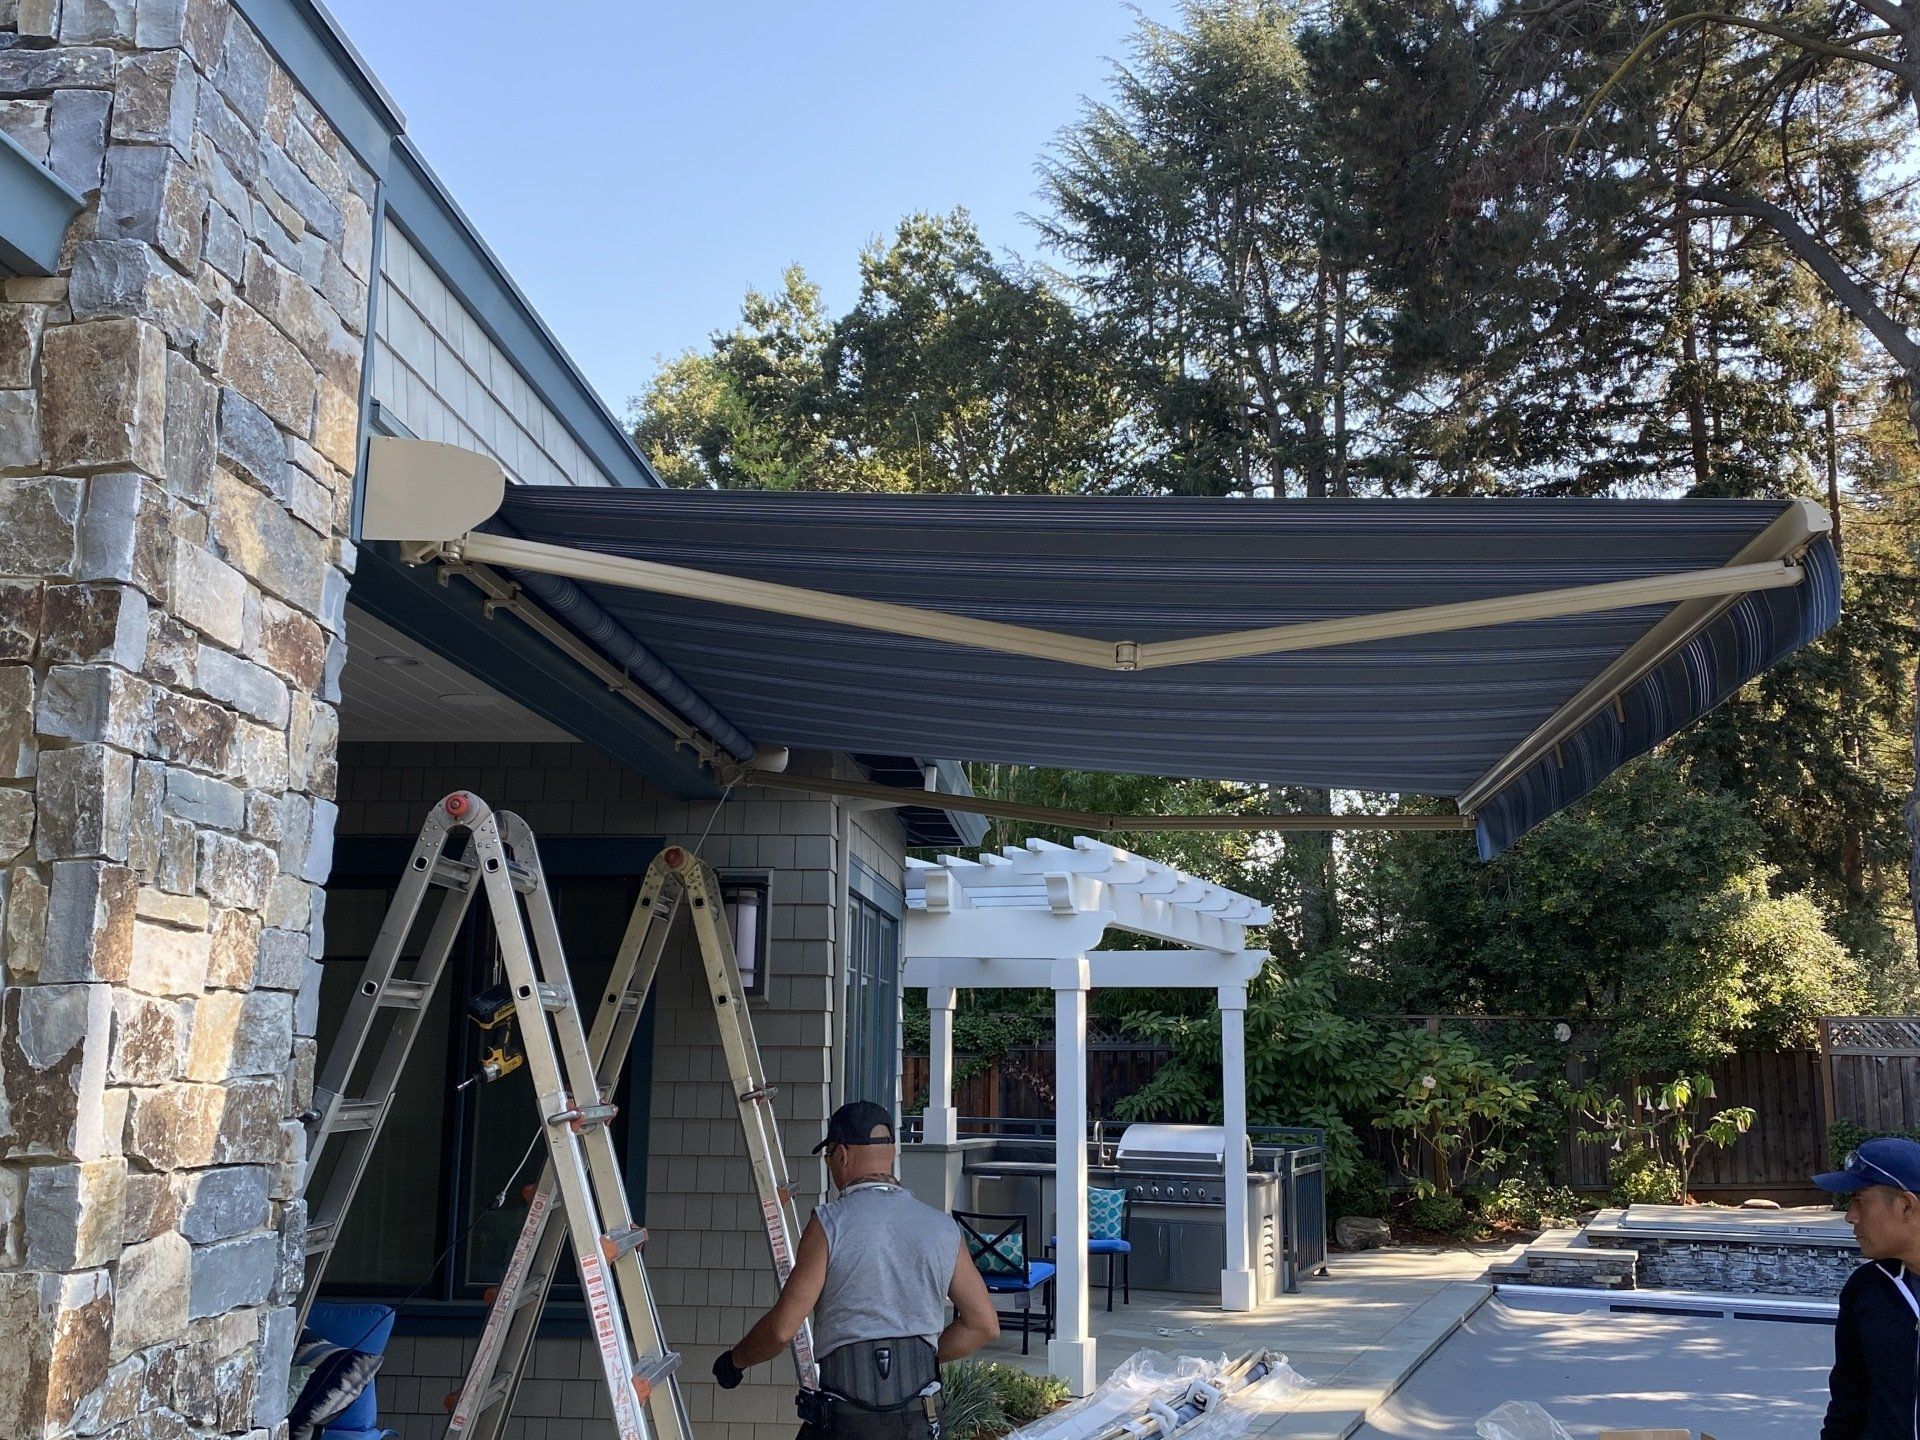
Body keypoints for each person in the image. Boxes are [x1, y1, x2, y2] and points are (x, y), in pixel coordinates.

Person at [711, 1100, 1000, 1440]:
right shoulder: (941, 1228)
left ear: (842, 1154)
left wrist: (735, 1362)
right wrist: (921, 1357)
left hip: (846, 1422)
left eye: (828, 1156)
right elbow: (983, 1325)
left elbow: (781, 1330)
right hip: (920, 1422)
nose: (831, 1165)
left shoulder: (830, 1224)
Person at [1815, 1137, 1920, 1440]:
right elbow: (1847, 1406)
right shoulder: (1864, 1290)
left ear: (1906, 1205)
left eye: (1860, 1200)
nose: (1850, 1216)